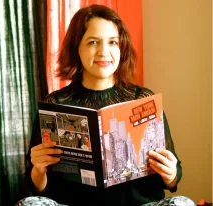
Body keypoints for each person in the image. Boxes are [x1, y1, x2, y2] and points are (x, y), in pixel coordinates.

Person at [16, 4, 195, 206]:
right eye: (93, 42)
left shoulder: (143, 99)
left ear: (121, 47)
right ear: (77, 48)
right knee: (29, 203)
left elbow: (173, 175)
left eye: (112, 42)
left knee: (183, 203)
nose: (104, 52)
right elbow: (36, 187)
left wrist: (171, 174)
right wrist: (38, 169)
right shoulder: (55, 104)